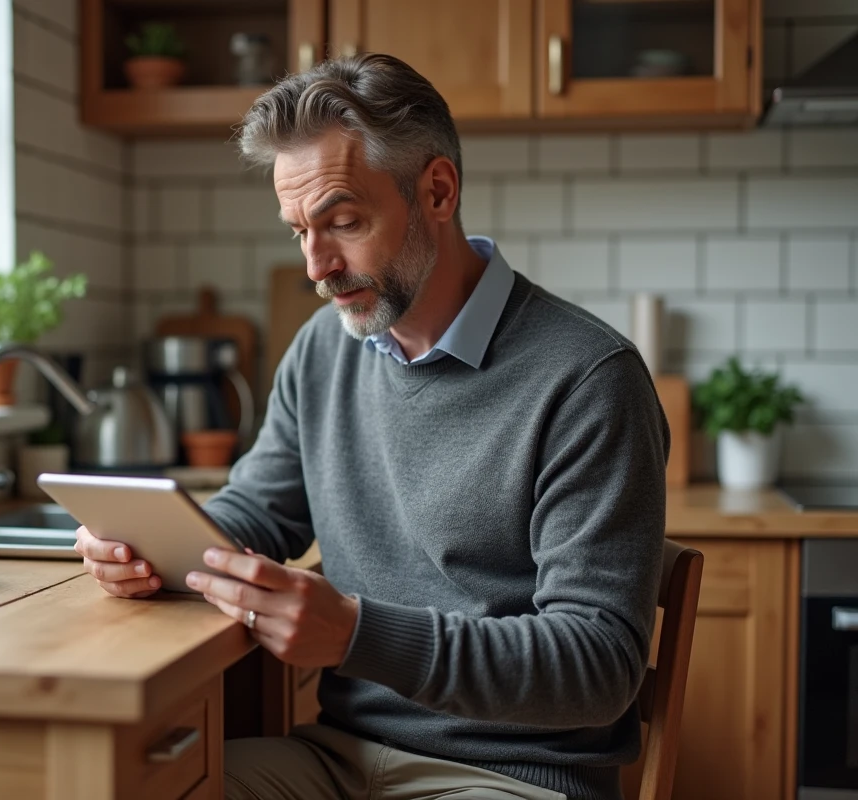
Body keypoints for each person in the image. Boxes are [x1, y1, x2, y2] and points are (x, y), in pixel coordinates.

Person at [75, 53, 669, 800]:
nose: (317, 266)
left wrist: (359, 635)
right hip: (338, 758)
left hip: (514, 779)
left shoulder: (587, 378)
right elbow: (259, 512)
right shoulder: (325, 348)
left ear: (439, 191)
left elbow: (599, 666)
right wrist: (146, 542)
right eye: (298, 231)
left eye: (344, 222)